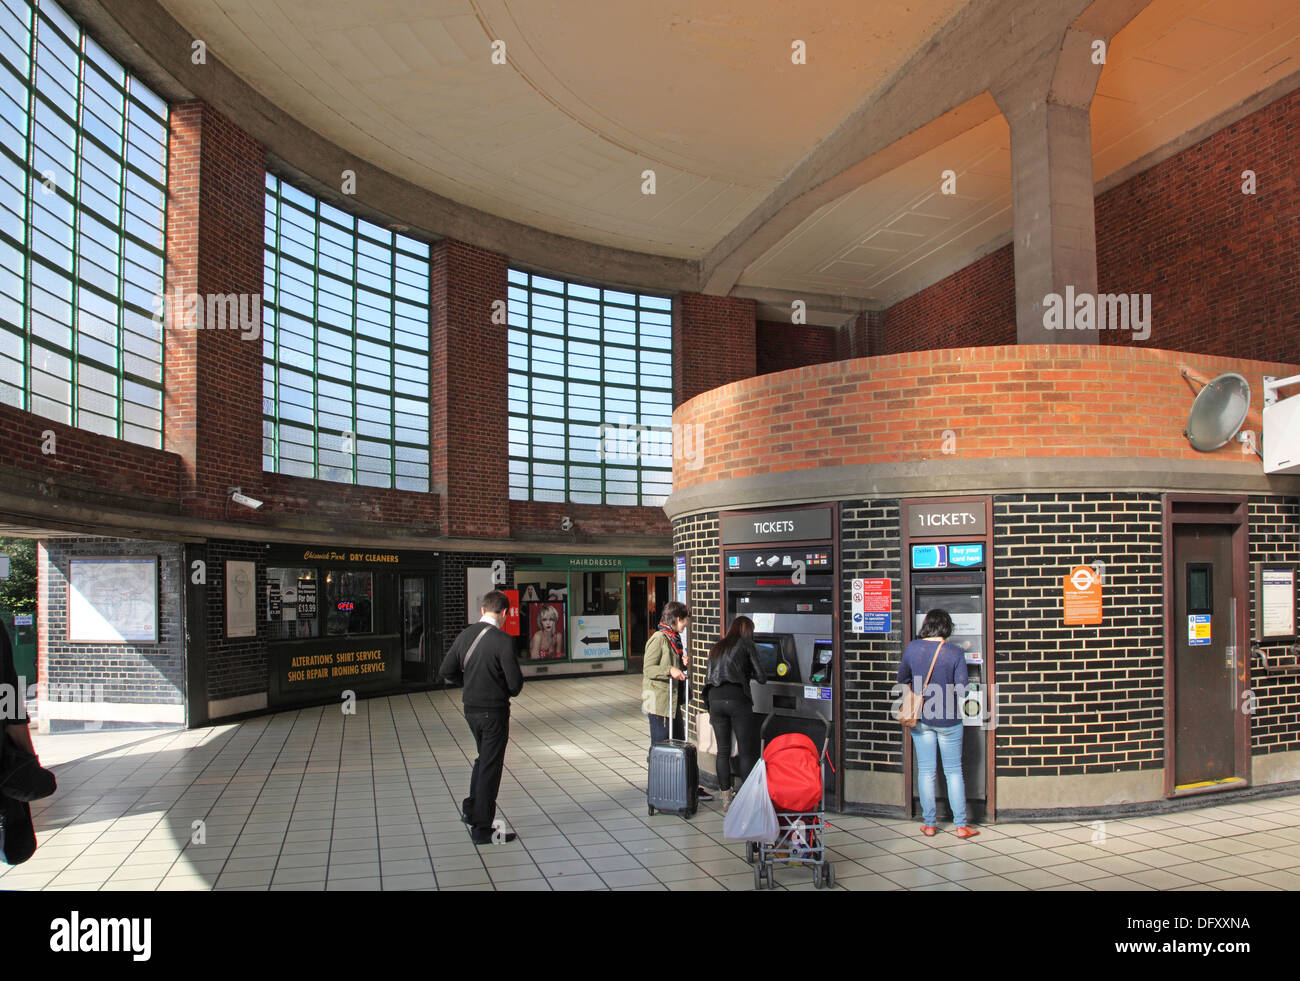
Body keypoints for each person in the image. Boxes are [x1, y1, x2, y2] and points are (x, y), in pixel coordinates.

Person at [438, 590, 524, 845]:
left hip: (470, 709)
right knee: (490, 766)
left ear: (482, 610)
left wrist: (469, 683)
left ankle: (472, 808)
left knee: (483, 759)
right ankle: (482, 828)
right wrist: (498, 688)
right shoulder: (503, 641)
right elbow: (515, 685)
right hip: (494, 712)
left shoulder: (465, 635)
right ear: (505, 613)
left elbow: (446, 671)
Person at [898, 609, 978, 839]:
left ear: (926, 625)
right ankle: (961, 826)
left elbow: (901, 677)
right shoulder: (954, 652)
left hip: (921, 717)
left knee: (926, 771)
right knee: (953, 771)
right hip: (949, 719)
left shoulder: (913, 648)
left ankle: (930, 824)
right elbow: (963, 690)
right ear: (946, 627)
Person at [641, 601, 712, 801]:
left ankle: (685, 787)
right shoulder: (659, 638)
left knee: (680, 744)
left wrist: (681, 664)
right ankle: (659, 787)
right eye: (684, 622)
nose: (685, 626)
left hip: (672, 702)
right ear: (677, 619)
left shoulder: (674, 639)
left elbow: (673, 665)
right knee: (660, 745)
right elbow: (648, 669)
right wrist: (670, 670)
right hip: (658, 703)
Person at [704, 615, 767, 812]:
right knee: (746, 751)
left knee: (723, 750)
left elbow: (709, 675)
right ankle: (747, 798)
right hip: (736, 699)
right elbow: (762, 677)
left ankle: (726, 799)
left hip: (714, 699)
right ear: (748, 631)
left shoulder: (717, 646)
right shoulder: (747, 645)